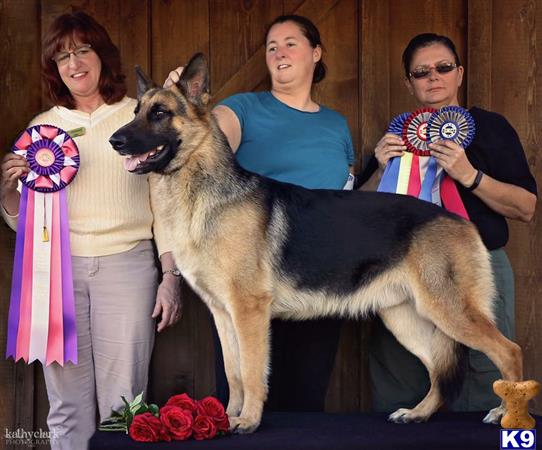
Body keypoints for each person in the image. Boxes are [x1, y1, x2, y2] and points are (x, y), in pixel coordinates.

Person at [0, 12, 182, 449]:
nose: (74, 63)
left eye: (83, 50)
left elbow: (166, 204)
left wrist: (171, 276)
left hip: (128, 267)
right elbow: (22, 219)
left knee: (125, 407)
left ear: (102, 56)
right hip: (58, 273)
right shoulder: (41, 127)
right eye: (63, 56)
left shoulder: (138, 117)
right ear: (55, 68)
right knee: (65, 406)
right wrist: (8, 192)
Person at [165, 14, 355, 412]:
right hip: (249, 264)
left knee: (306, 399)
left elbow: (346, 195)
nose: (279, 52)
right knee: (245, 406)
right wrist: (178, 106)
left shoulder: (337, 125)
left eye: (290, 43)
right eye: (271, 46)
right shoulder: (242, 107)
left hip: (321, 268)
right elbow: (203, 145)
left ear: (315, 53)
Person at [358, 33, 537, 413]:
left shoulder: (489, 127)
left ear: (459, 73)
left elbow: (526, 207)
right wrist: (379, 169)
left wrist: (470, 175)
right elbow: (360, 214)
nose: (433, 78)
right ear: (409, 82)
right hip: (400, 273)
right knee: (401, 378)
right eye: (421, 72)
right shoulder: (397, 134)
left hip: (476, 267)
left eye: (442, 68)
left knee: (484, 383)